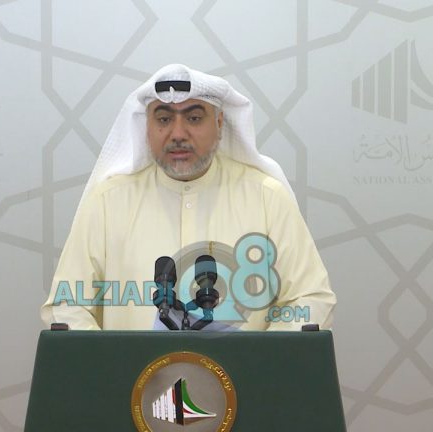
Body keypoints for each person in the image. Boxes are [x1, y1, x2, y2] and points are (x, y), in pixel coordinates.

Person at [40, 64, 336, 330]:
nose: (178, 133)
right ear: (147, 127)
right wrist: (116, 366)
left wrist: (255, 362)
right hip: (130, 376)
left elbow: (310, 298)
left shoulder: (266, 197)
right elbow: (67, 306)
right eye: (164, 119)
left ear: (219, 124)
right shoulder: (108, 201)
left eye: (194, 118)